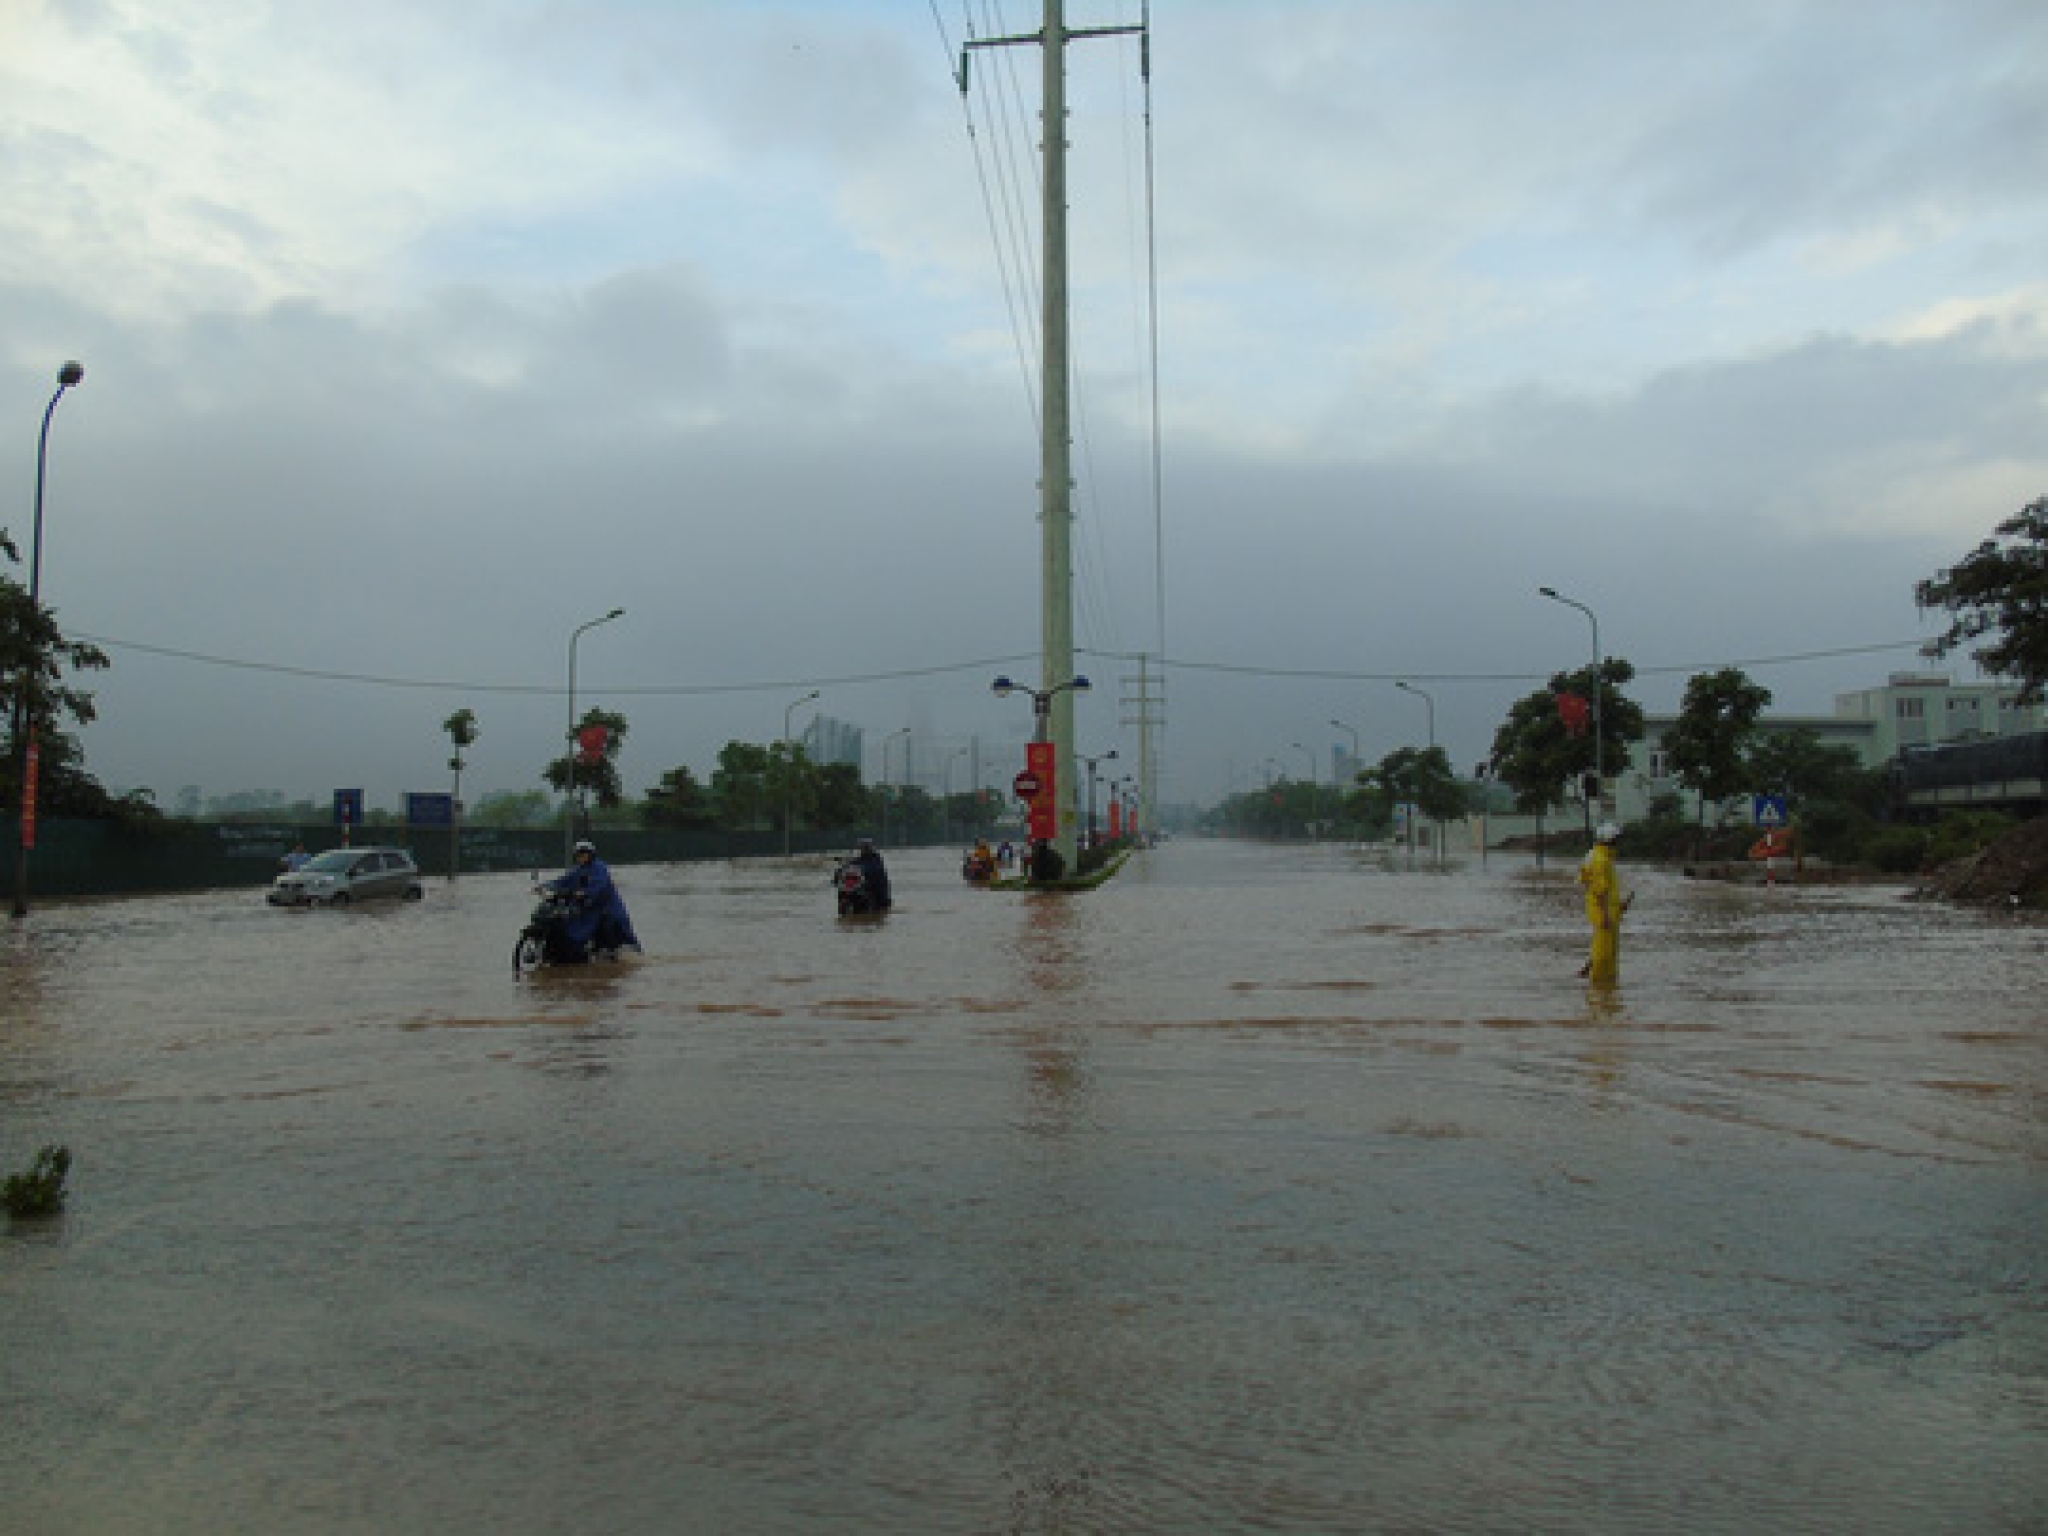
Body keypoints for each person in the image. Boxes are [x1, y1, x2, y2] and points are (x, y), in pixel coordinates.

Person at [546, 840, 642, 957]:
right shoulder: (578, 870)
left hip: (606, 908)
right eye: (579, 854)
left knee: (620, 932)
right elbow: (562, 881)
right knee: (570, 924)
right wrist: (545, 886)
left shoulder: (599, 868)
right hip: (587, 908)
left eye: (584, 853)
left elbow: (599, 884)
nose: (581, 857)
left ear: (591, 854)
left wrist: (585, 892)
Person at [1577, 821, 1625, 984]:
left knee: (1609, 953)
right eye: (1617, 839)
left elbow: (1607, 890)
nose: (1619, 843)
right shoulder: (1600, 860)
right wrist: (1605, 915)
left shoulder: (1603, 858)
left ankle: (1608, 988)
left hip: (1609, 912)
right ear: (1610, 840)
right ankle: (1598, 988)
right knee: (1603, 955)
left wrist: (1619, 906)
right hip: (1603, 913)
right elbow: (1600, 891)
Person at [853, 836, 893, 911]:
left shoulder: (876, 860)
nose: (864, 849)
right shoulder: (858, 860)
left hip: (878, 894)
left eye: (866, 847)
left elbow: (870, 870)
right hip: (864, 891)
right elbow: (850, 866)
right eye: (862, 847)